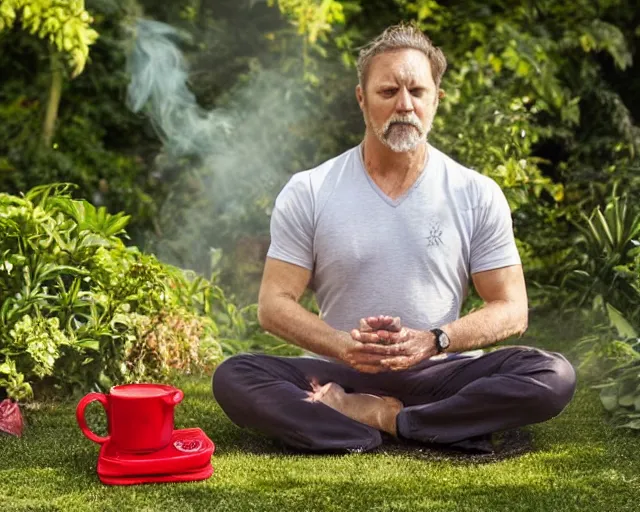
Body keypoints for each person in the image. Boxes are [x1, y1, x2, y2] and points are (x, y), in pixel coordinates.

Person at [212, 23, 577, 454]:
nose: (404, 105)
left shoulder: (475, 192)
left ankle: (380, 419)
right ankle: (411, 425)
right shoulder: (310, 189)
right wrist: (344, 347)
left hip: (441, 372)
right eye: (388, 92)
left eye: (417, 92)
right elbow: (273, 305)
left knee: (552, 374)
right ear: (361, 98)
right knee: (235, 375)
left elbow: (512, 308)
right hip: (340, 372)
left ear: (436, 100)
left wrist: (434, 340)